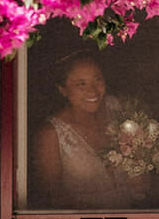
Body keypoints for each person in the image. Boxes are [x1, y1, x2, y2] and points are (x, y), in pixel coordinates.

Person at [31, 54, 144, 208]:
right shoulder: (50, 134)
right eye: (81, 84)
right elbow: (53, 199)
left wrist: (139, 177)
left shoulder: (116, 108)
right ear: (63, 90)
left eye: (98, 80)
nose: (93, 91)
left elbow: (141, 172)